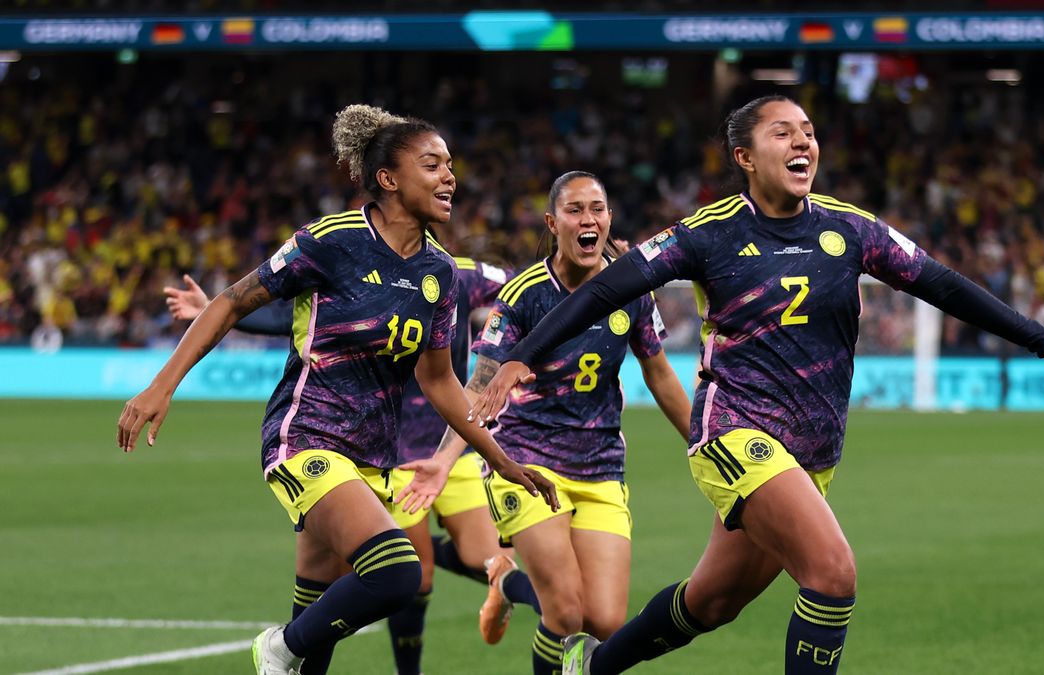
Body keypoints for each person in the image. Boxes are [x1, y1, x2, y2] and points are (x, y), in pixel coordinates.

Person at [466, 95, 1044, 675]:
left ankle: (592, 671)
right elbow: (612, 283)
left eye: (808, 131)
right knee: (832, 574)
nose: (803, 142)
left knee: (709, 603)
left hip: (812, 453)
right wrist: (525, 354)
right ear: (745, 156)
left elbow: (939, 283)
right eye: (783, 133)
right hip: (734, 435)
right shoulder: (707, 234)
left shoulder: (851, 229)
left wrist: (1043, 340)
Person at [117, 104, 557, 675]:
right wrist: (161, 386)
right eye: (433, 164)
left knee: (316, 636)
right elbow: (231, 301)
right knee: (398, 573)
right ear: (388, 179)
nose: (451, 176)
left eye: (451, 164)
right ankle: (274, 648)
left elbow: (439, 381)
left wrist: (502, 461)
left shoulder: (441, 274)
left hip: (373, 459)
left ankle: (291, 653)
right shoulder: (331, 241)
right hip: (305, 440)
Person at [163, 254, 544, 671]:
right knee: (412, 575)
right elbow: (285, 316)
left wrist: (593, 285)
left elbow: (529, 285)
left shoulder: (457, 274)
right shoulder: (355, 262)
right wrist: (218, 314)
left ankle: (475, 579)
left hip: (455, 442)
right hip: (394, 452)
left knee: (487, 558)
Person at [402, 170, 692, 675]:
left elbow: (661, 374)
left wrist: (704, 443)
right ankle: (512, 584)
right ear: (552, 223)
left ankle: (504, 581)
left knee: (605, 621)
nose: (588, 219)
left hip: (601, 468)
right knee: (564, 612)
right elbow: (480, 383)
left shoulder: (631, 287)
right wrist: (447, 459)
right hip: (526, 461)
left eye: (597, 209)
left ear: (608, 219)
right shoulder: (524, 294)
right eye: (575, 210)